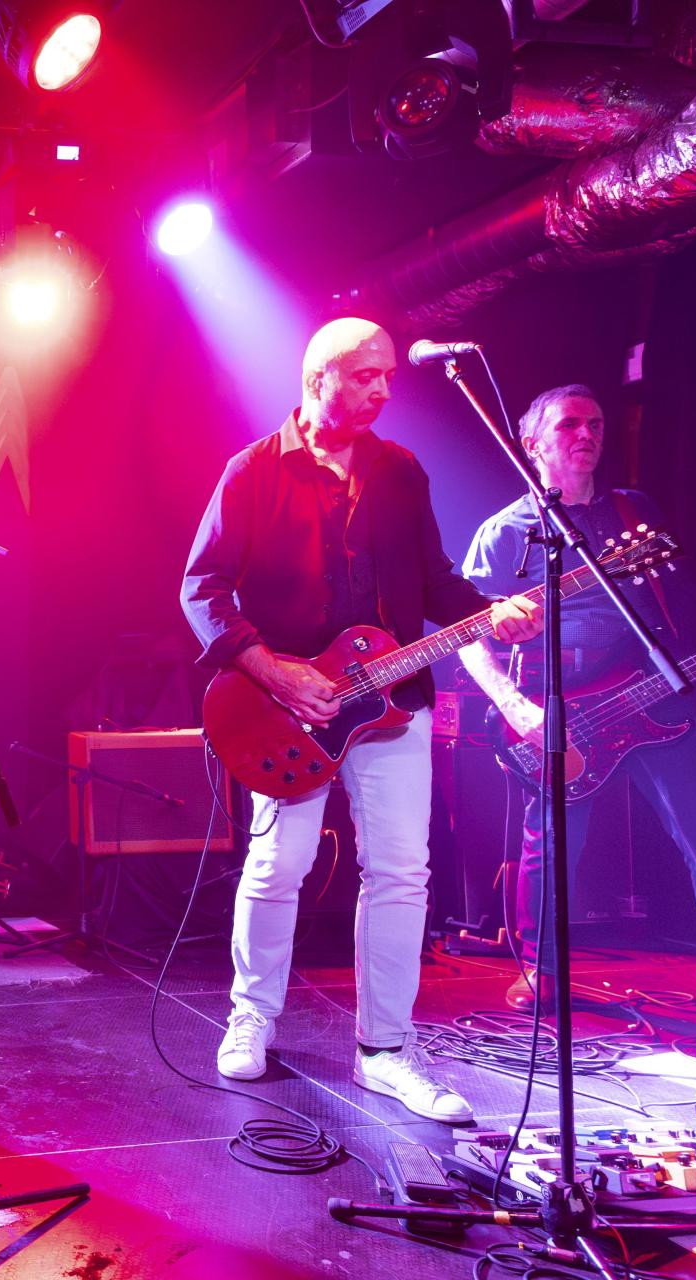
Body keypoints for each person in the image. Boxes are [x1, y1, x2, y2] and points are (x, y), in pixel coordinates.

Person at [181, 317, 543, 1121]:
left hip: (394, 698)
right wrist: (272, 671)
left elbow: (436, 580)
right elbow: (201, 587)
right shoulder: (253, 470)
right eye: (365, 376)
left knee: (402, 872)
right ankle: (252, 1016)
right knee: (280, 866)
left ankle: (386, 1050)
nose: (383, 389)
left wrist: (493, 612)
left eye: (387, 377)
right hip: (288, 706)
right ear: (320, 380)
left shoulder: (399, 470)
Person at [458, 384, 696, 1055]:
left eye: (596, 424)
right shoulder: (504, 533)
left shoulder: (632, 512)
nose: (587, 434)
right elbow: (468, 636)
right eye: (570, 425)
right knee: (552, 848)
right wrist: (516, 705)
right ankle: (542, 973)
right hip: (563, 708)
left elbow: (691, 601)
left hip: (655, 698)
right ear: (533, 443)